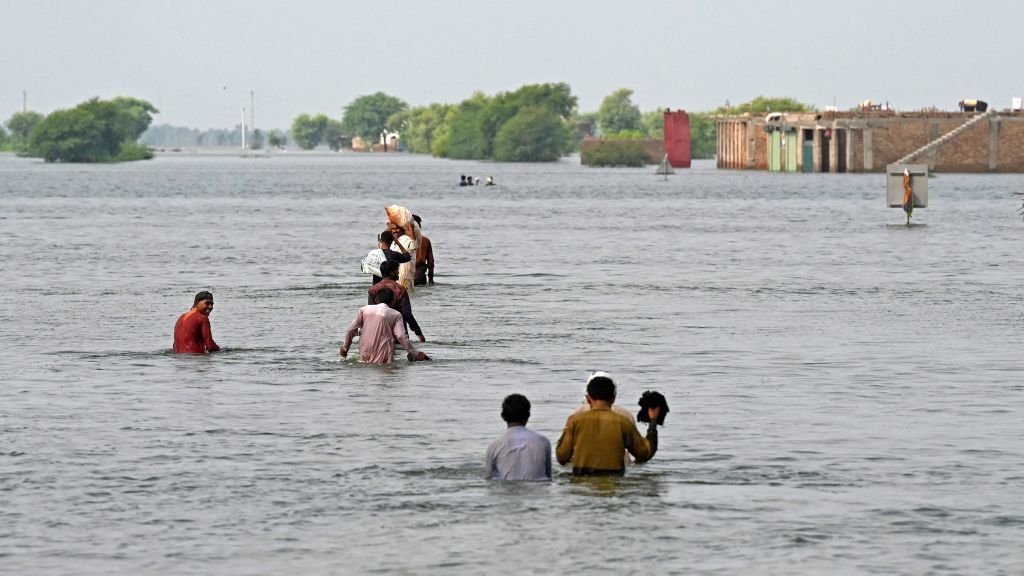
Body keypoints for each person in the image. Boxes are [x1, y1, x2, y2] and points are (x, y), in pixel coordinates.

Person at [555, 372, 659, 475]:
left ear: (588, 399)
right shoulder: (623, 422)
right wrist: (653, 421)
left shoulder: (575, 421)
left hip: (582, 485)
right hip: (614, 484)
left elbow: (561, 457)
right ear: (613, 398)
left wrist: (566, 430)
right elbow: (644, 453)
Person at [340, 287, 429, 364]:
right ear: (393, 300)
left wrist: (345, 348)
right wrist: (415, 353)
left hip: (364, 351)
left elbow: (351, 330)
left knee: (365, 366)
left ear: (376, 300)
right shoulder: (396, 314)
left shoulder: (364, 310)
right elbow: (401, 335)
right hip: (384, 354)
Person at [485, 394, 552, 481]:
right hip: (536, 492)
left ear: (503, 416)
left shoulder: (494, 446)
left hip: (506, 492)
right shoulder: (543, 442)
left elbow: (489, 479)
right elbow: (548, 477)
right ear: (528, 416)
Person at [368, 260, 425, 342]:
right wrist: (418, 333)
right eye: (397, 270)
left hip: (379, 334)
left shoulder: (373, 289)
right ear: (391, 272)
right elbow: (407, 313)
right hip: (399, 333)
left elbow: (371, 313)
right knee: (400, 353)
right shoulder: (400, 289)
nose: (399, 273)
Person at [387, 222, 418, 293]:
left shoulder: (406, 239)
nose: (395, 231)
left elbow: (414, 246)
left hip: (405, 276)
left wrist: (411, 228)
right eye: (393, 229)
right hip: (395, 277)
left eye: (397, 228)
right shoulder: (392, 242)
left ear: (402, 229)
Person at [411, 214, 434, 286]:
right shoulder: (426, 240)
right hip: (420, 278)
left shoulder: (402, 240)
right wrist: (431, 279)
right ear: (419, 226)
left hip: (407, 277)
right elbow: (431, 263)